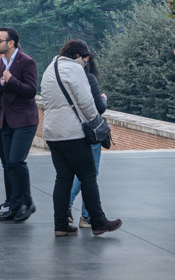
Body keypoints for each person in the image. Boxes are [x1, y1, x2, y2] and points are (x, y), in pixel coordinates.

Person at [40, 40, 121, 237]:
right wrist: (96, 123)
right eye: (85, 60)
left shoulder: (50, 69)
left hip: (52, 132)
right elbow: (86, 102)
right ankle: (98, 221)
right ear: (78, 56)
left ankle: (60, 224)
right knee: (88, 176)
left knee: (63, 178)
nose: (86, 64)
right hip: (73, 133)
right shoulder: (75, 70)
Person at [0, 27, 39, 222]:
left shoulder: (27, 62)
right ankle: (14, 205)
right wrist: (2, 82)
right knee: (9, 164)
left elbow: (30, 90)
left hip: (25, 120)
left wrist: (11, 80)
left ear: (11, 43)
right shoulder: (0, 63)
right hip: (5, 120)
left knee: (16, 161)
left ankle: (27, 202)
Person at [67, 49, 108, 228]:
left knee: (77, 174)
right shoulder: (89, 78)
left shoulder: (64, 77)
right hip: (89, 131)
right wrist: (103, 100)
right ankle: (73, 209)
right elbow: (99, 108)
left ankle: (86, 214)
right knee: (89, 175)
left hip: (70, 131)